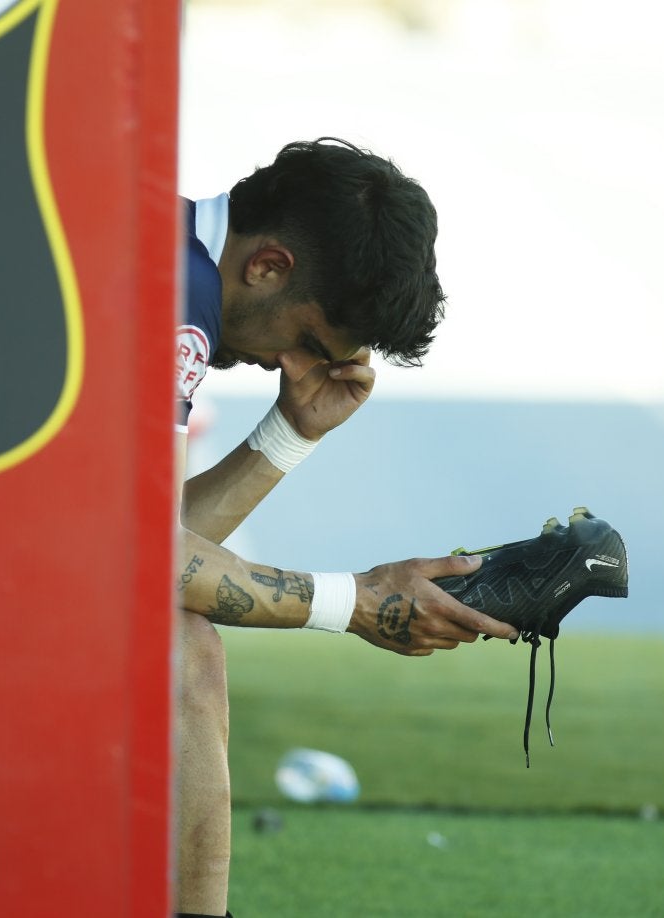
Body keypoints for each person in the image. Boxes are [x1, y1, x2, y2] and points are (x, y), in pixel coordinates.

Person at [171, 138, 519, 917]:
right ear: (266, 266)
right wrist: (355, 603)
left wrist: (289, 435)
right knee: (179, 649)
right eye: (307, 343)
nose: (290, 368)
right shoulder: (178, 295)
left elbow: (134, 542)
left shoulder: (168, 254)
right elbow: (139, 560)